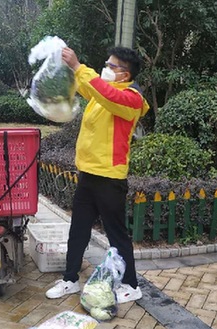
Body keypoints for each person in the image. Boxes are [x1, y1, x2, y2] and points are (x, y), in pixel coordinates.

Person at [45, 46, 150, 303]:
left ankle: (131, 285)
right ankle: (70, 279)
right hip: (88, 173)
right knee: (78, 230)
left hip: (110, 177)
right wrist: (70, 69)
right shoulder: (103, 92)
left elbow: (105, 92)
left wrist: (78, 66)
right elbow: (89, 88)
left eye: (111, 66)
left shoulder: (131, 99)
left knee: (116, 234)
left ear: (125, 74)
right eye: (106, 63)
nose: (106, 69)